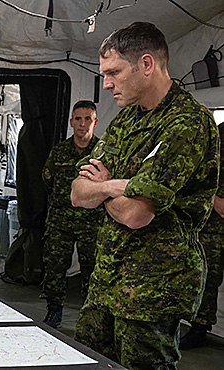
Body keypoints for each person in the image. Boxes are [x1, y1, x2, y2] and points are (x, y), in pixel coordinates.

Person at [70, 22, 219, 369]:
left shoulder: (186, 123)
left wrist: (104, 190)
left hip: (152, 290)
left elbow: (137, 215)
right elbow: (77, 192)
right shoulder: (126, 122)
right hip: (107, 280)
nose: (106, 84)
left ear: (147, 64)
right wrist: (111, 186)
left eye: (113, 73)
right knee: (87, 361)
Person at [39, 100, 104, 329]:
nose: (83, 124)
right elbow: (47, 180)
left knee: (93, 270)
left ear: (95, 122)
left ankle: (90, 318)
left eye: (88, 119)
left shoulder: (103, 153)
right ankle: (53, 312)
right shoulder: (59, 151)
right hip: (60, 221)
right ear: (71, 122)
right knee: (55, 267)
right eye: (78, 119)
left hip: (92, 222)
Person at [179, 122, 224, 350]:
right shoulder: (218, 133)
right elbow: (199, 170)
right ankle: (199, 328)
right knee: (209, 276)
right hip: (215, 222)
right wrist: (215, 198)